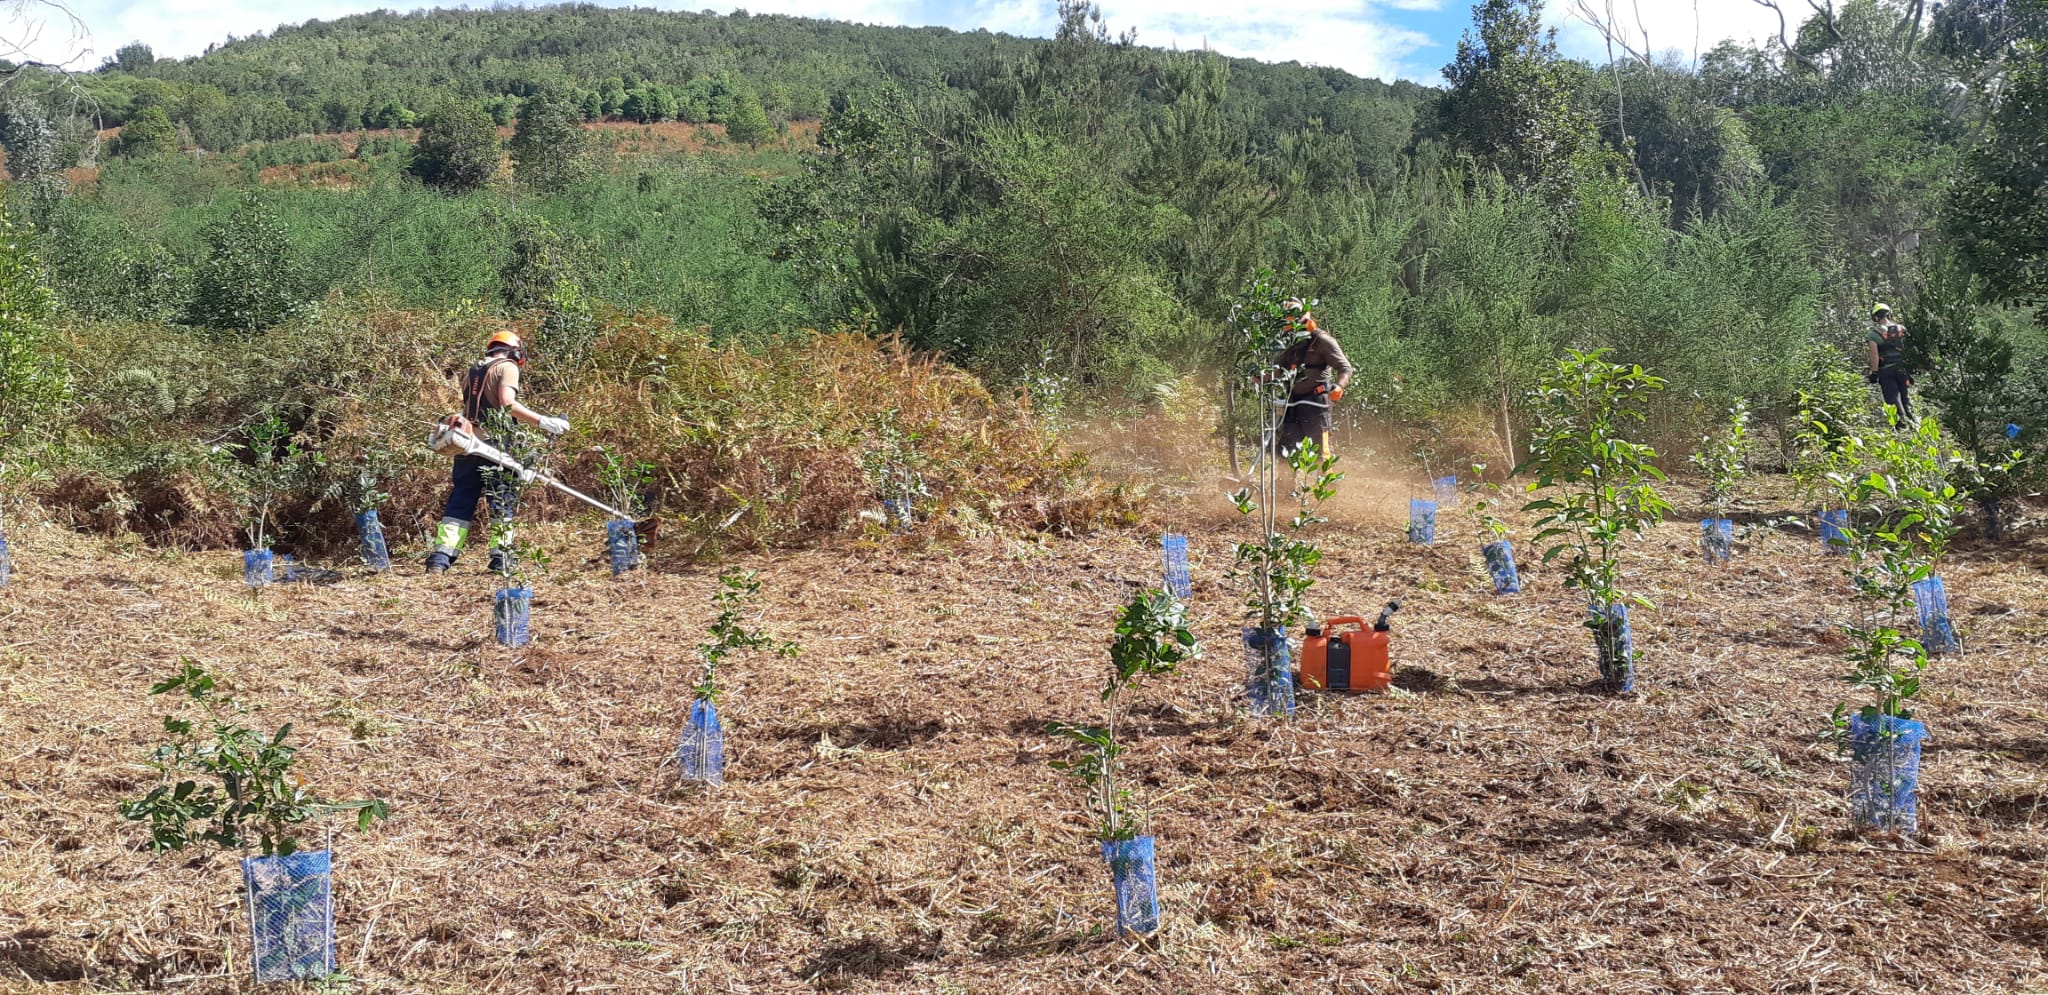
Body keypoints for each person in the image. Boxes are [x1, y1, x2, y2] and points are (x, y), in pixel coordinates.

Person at [426, 329, 571, 574]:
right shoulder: (508, 367)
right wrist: (544, 421)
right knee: (501, 501)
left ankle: (440, 558)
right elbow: (507, 403)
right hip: (495, 446)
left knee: (460, 501)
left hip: (466, 443)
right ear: (515, 351)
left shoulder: (474, 368)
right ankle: (501, 559)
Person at [1271, 298, 1354, 457]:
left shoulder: (1321, 340)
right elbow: (1276, 369)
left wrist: (1339, 386)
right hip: (1293, 403)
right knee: (1285, 450)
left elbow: (1345, 367)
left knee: (1320, 452)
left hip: (1316, 404)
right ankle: (1284, 482)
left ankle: (1324, 481)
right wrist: (1261, 377)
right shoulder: (1289, 343)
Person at [1866, 302, 1914, 426]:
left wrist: (1874, 373)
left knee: (1893, 399)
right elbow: (1910, 349)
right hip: (1903, 370)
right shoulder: (1902, 329)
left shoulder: (1873, 334)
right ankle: (1914, 424)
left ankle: (1902, 426)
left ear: (1875, 318)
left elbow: (1874, 355)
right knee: (1905, 398)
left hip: (1886, 372)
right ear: (1889, 314)